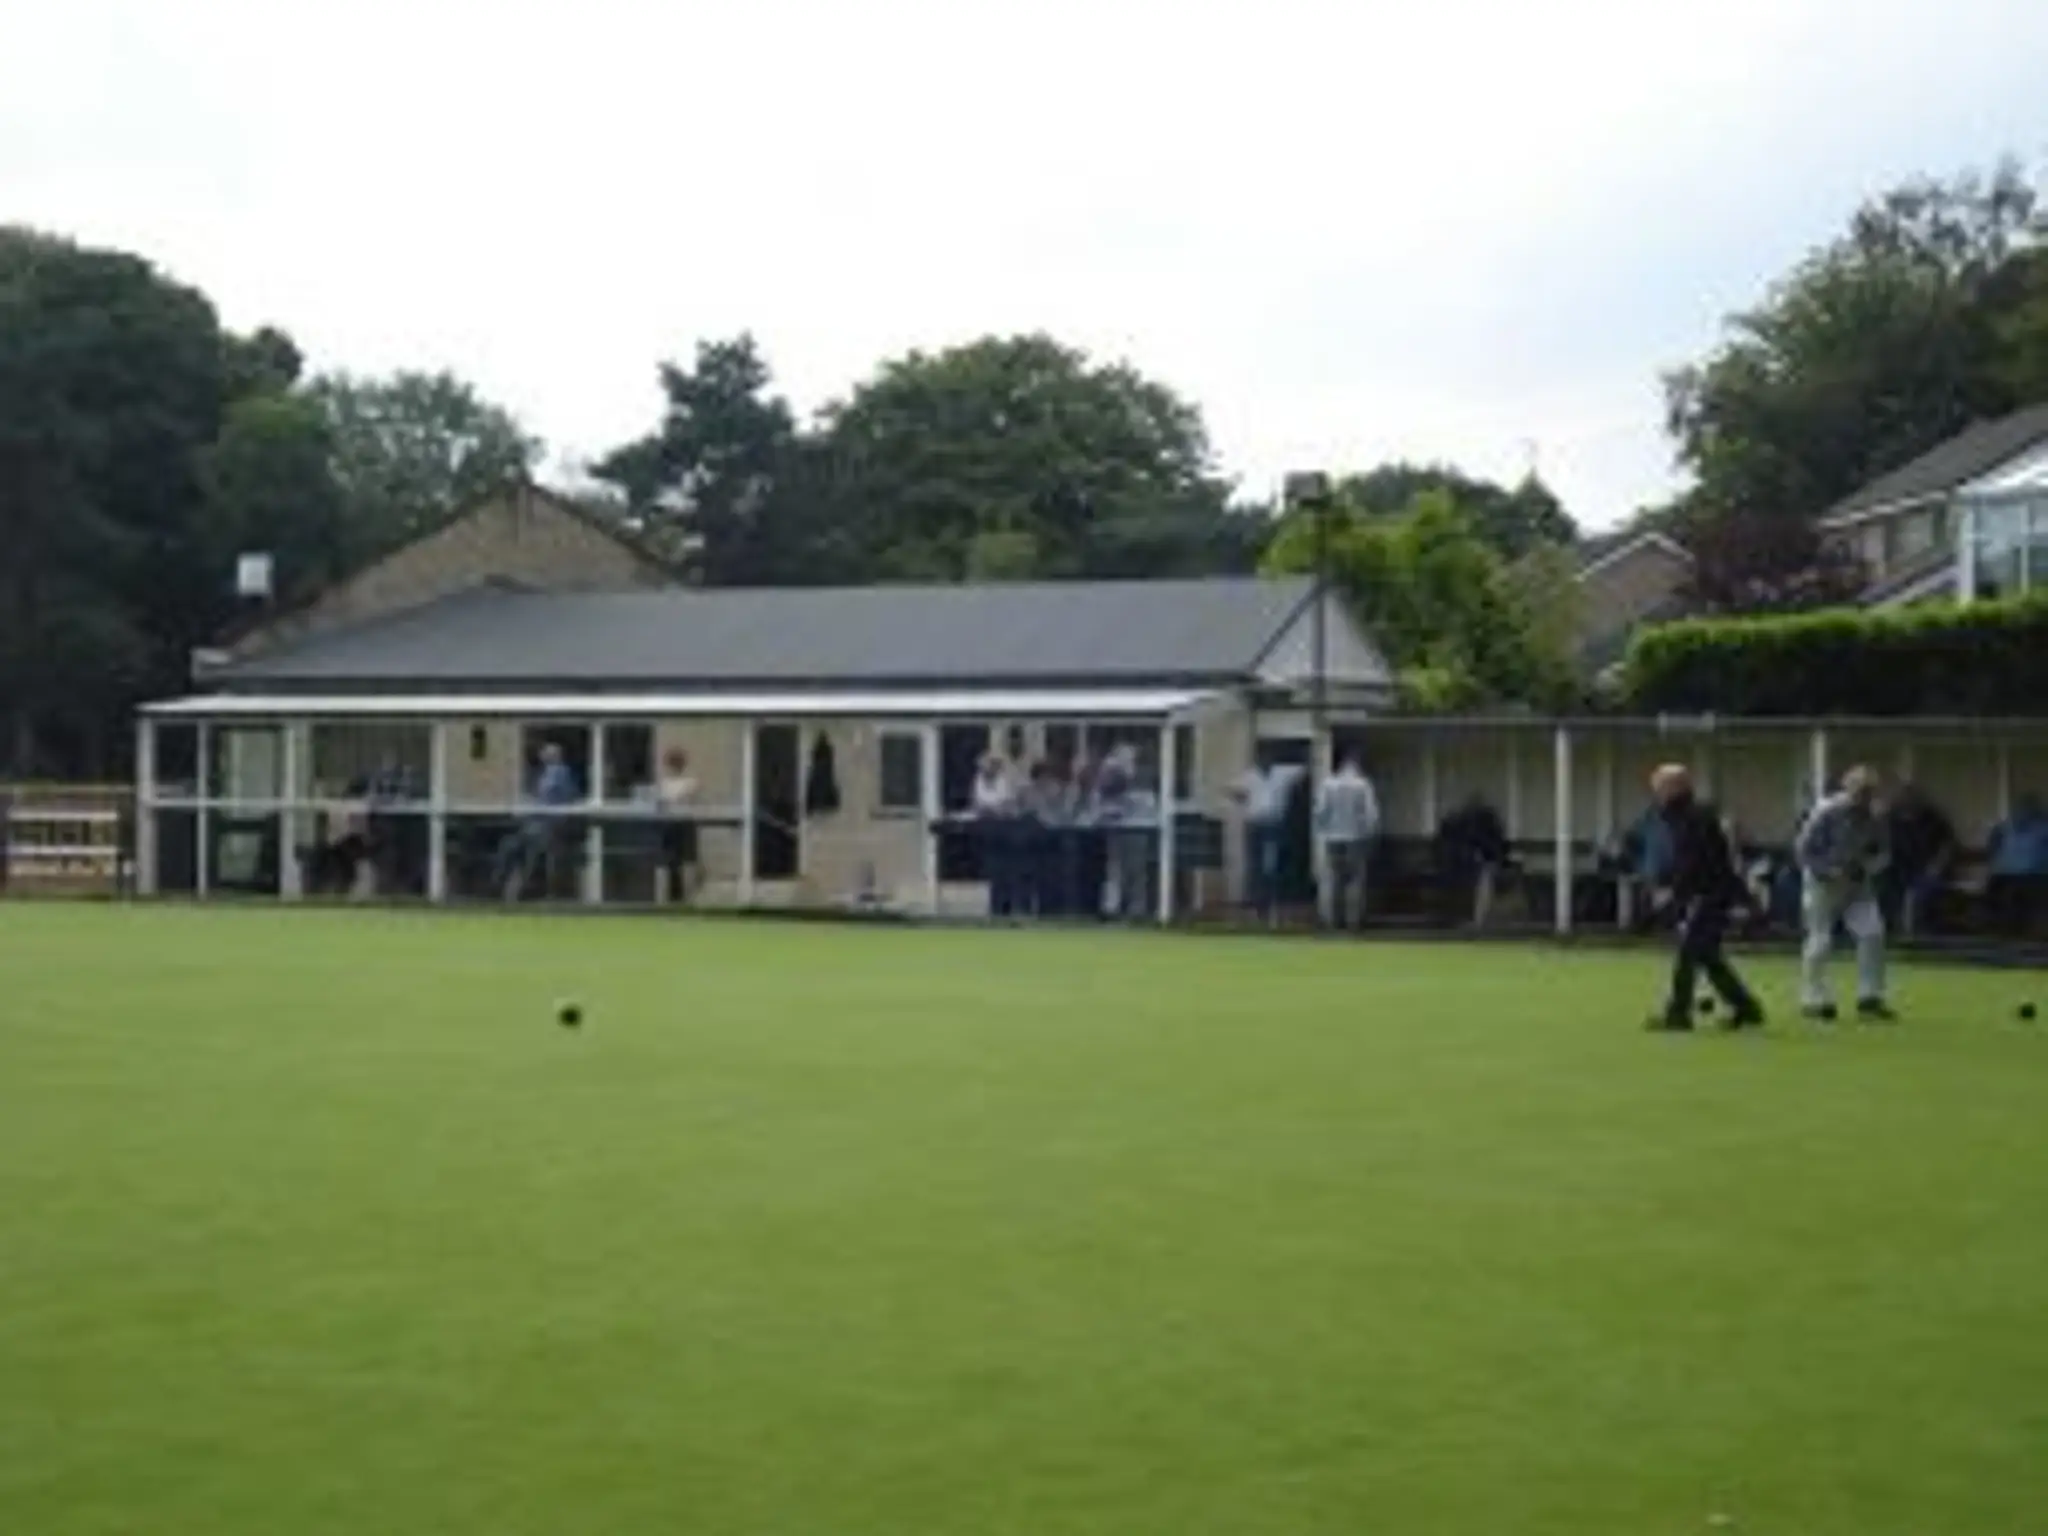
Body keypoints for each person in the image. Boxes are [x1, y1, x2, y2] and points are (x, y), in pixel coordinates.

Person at [1645, 762, 1764, 1031]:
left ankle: (1678, 1014)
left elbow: (1695, 862)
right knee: (1708, 956)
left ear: (1674, 788)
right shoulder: (1693, 815)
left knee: (1689, 954)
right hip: (1713, 892)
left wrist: (1675, 893)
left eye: (1659, 787)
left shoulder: (1690, 818)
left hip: (1708, 894)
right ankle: (1746, 1008)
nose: (1656, 793)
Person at [1794, 765, 1894, 1021]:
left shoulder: (1876, 815)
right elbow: (1804, 851)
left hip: (1857, 885)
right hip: (1822, 885)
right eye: (1861, 792)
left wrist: (1870, 867)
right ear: (1848, 789)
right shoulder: (1827, 812)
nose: (1865, 799)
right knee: (1821, 940)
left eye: (1870, 793)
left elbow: (1883, 851)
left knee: (1872, 933)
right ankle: (1813, 999)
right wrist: (1830, 871)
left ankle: (1870, 997)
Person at [494, 742, 582, 901]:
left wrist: (528, 807)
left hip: (550, 827)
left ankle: (518, 890)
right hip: (535, 825)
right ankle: (508, 888)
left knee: (524, 851)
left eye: (547, 753)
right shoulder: (544, 773)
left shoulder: (560, 774)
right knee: (510, 846)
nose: (542, 755)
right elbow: (541, 799)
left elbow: (551, 800)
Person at [1230, 758, 1304, 927]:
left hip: (1273, 824)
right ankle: (1259, 907)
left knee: (1272, 867)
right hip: (1255, 824)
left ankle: (1274, 907)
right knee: (1255, 866)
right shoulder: (1250, 776)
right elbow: (1233, 790)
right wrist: (1242, 800)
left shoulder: (1282, 773)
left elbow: (1305, 769)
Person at [1314, 752, 1380, 930]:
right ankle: (1353, 921)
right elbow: (1371, 814)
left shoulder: (1328, 784)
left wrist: (1323, 832)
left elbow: (1320, 812)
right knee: (1355, 880)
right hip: (1356, 838)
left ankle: (1330, 920)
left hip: (1332, 838)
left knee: (1332, 879)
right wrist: (1370, 835)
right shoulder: (1363, 785)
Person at [1882, 782, 1956, 937]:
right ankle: (1895, 931)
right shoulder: (1890, 820)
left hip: (1927, 871)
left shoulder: (1933, 820)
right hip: (1897, 871)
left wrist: (1936, 867)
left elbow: (1947, 847)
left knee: (1921, 893)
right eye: (1904, 797)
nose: (1908, 801)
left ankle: (1918, 932)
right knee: (1886, 889)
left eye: (1912, 797)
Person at [1436, 792, 1508, 928]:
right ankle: (1473, 919)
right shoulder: (1465, 830)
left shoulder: (1480, 828)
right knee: (1479, 887)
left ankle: (1478, 920)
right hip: (1469, 867)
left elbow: (1493, 850)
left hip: (1483, 864)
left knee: (1483, 885)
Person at [1986, 791, 2048, 937]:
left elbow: (1993, 847)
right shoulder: (2041, 828)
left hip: (2009, 878)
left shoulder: (2006, 828)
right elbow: (1993, 847)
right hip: (2031, 878)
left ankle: (2008, 929)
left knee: (2009, 901)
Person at [971, 752, 1021, 918]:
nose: (987, 769)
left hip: (1006, 833)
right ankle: (996, 907)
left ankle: (1008, 907)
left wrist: (994, 809)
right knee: (993, 872)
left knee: (1007, 873)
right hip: (989, 833)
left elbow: (1005, 803)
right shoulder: (979, 780)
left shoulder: (1004, 781)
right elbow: (979, 803)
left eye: (991, 766)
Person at [655, 747, 700, 904]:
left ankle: (686, 896)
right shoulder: (664, 784)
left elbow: (687, 798)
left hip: (684, 823)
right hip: (669, 824)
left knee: (686, 861)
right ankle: (671, 896)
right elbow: (661, 803)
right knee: (670, 861)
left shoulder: (689, 783)